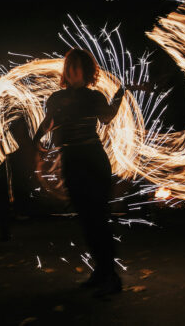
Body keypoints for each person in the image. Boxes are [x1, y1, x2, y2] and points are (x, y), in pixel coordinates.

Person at [32, 48, 125, 297]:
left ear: (87, 71)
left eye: (78, 68)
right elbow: (49, 122)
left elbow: (107, 117)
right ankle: (101, 271)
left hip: (92, 159)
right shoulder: (56, 99)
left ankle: (111, 277)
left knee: (98, 220)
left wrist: (121, 93)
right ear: (66, 72)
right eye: (70, 68)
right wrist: (37, 139)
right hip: (71, 161)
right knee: (87, 220)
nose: (73, 72)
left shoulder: (93, 97)